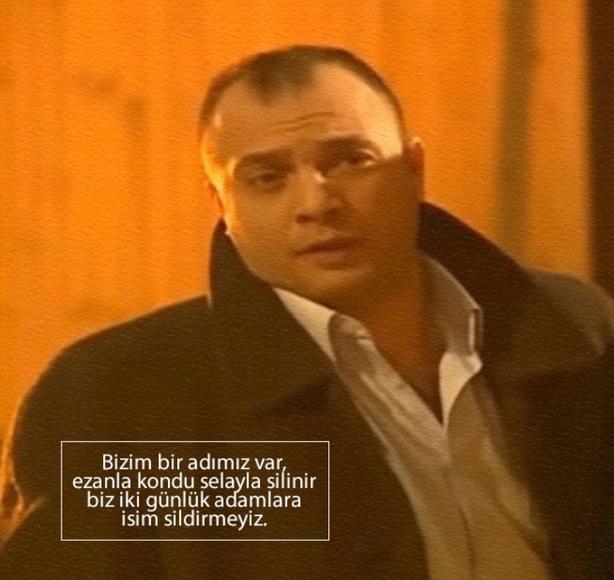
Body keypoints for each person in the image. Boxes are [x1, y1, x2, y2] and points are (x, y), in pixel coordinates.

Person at [1, 45, 614, 580]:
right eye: (267, 178)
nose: (317, 203)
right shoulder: (125, 395)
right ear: (222, 204)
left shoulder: (575, 329)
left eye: (350, 160)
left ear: (414, 169)